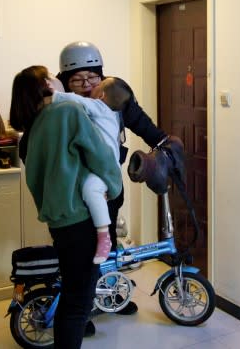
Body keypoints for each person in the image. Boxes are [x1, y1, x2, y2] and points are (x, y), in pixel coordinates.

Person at [9, 65, 122, 347]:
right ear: (44, 87)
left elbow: (35, 180)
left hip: (59, 223)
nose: (56, 81)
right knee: (78, 305)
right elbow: (101, 156)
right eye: (49, 77)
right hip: (82, 222)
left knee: (71, 297)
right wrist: (114, 186)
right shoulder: (68, 112)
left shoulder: (33, 127)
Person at [57, 41, 169, 316]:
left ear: (101, 76)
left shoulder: (111, 95)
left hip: (108, 183)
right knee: (81, 250)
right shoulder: (63, 105)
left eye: (91, 77)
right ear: (65, 81)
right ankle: (81, 310)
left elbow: (140, 122)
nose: (85, 84)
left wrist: (164, 142)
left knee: (108, 242)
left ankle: (109, 296)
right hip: (75, 190)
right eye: (77, 79)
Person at [51, 76, 133, 264]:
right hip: (101, 167)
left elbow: (76, 100)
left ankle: (104, 237)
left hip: (104, 169)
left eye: (96, 84)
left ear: (101, 95)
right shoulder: (111, 114)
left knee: (90, 190)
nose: (90, 86)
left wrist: (53, 95)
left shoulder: (99, 107)